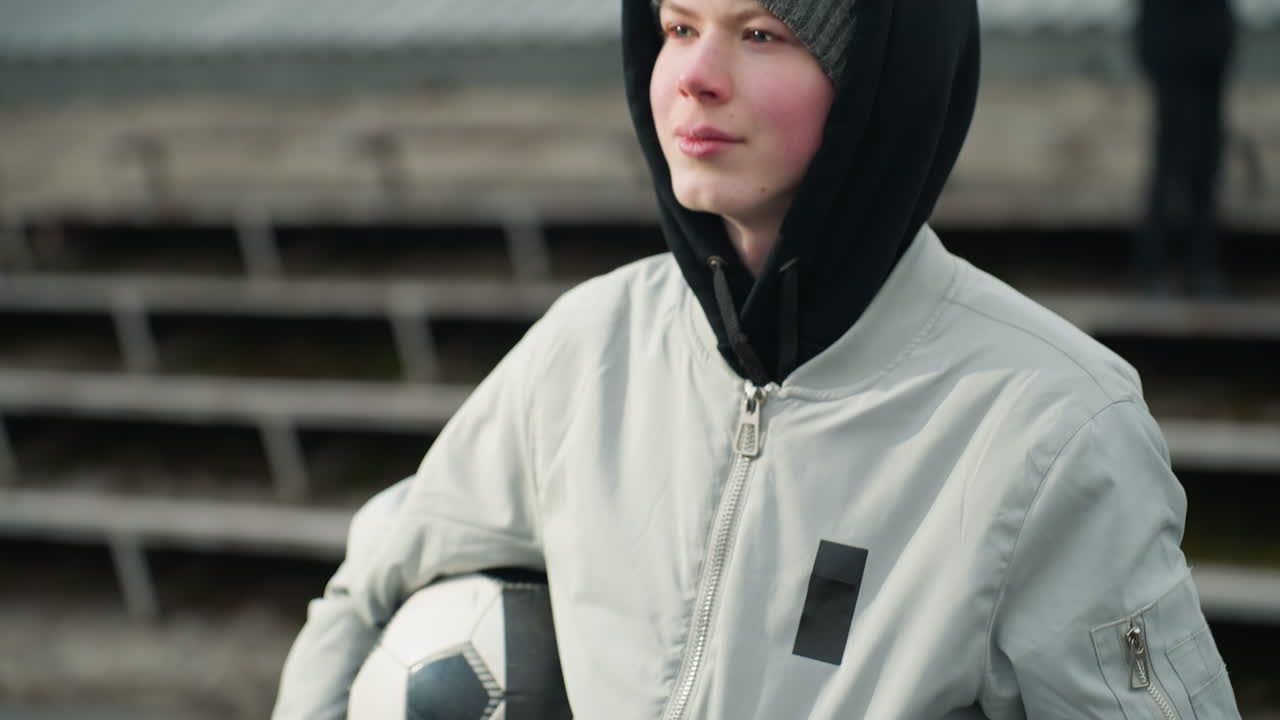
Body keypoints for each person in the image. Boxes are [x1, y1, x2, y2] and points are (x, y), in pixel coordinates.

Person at [274, 0, 1242, 716]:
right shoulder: (587, 350)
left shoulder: (1053, 423)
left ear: (878, 86)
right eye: (677, 24)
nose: (696, 74)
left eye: (763, 33)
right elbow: (367, 594)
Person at [1134, 0, 1237, 296]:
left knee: (1205, 161)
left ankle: (1201, 264)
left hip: (1205, 45)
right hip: (1171, 41)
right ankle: (1155, 265)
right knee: (1171, 158)